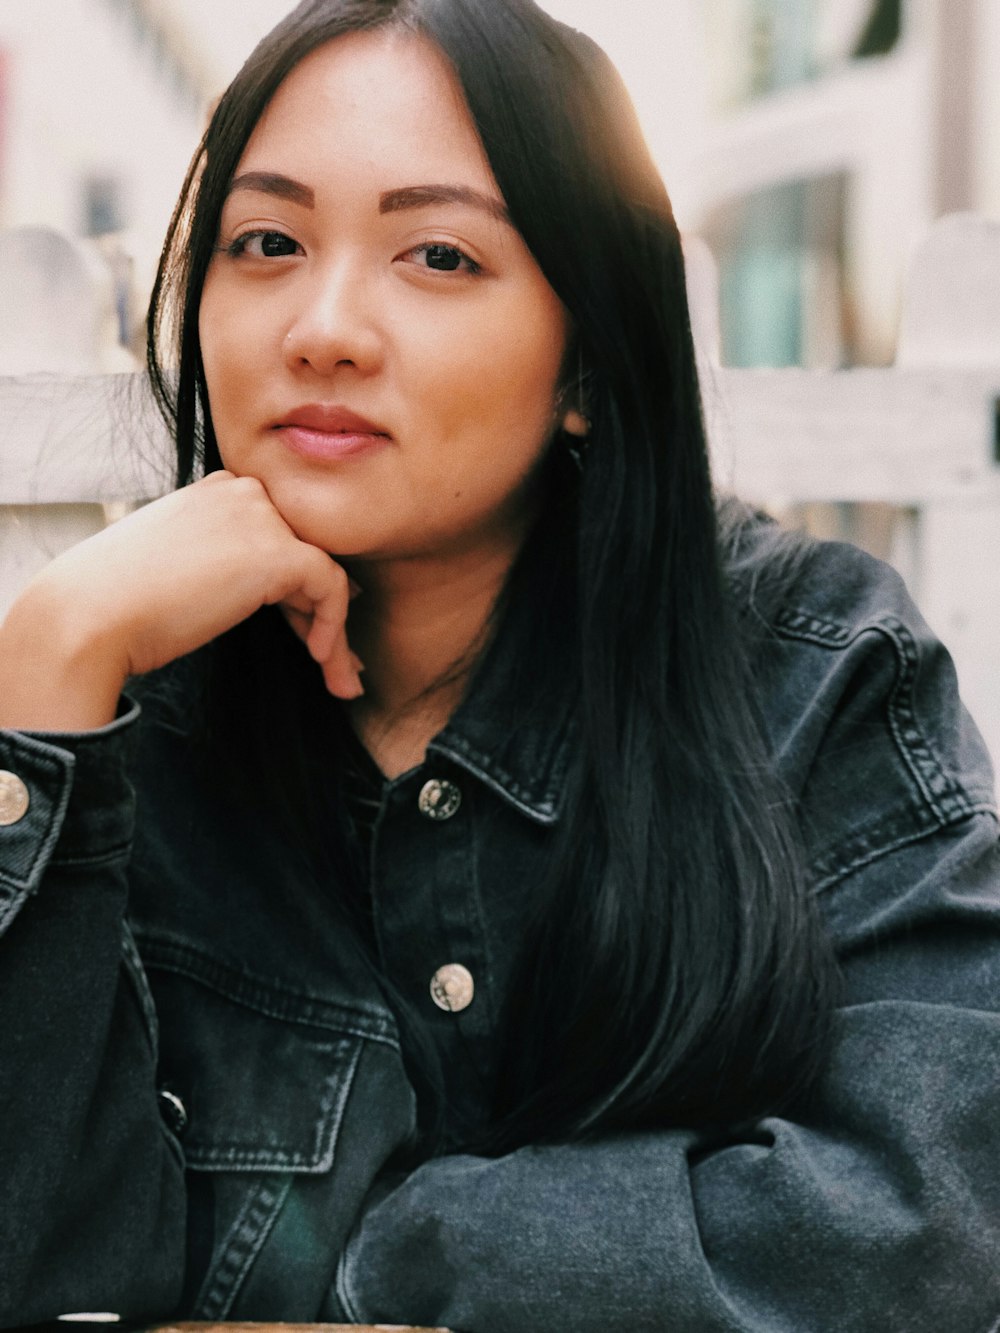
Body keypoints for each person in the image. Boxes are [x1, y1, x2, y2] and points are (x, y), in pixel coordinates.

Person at [0, 0, 998, 1327]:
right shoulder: (118, 722)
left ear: (586, 360)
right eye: (266, 242)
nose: (326, 325)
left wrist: (406, 1255)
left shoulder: (814, 677)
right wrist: (47, 669)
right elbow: (41, 1275)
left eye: (436, 254)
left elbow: (929, 1223)